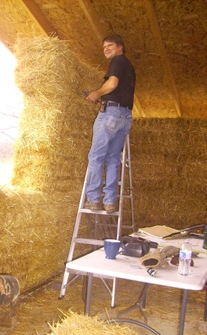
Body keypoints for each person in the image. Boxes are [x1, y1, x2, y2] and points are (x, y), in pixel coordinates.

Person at [84, 34, 136, 213]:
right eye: (104, 46)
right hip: (125, 116)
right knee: (113, 158)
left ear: (120, 47)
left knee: (96, 157)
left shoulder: (118, 61)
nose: (106, 48)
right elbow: (118, 91)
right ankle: (109, 202)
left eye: (110, 45)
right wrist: (105, 99)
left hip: (111, 115)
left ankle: (93, 200)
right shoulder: (129, 66)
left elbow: (112, 84)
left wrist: (97, 94)